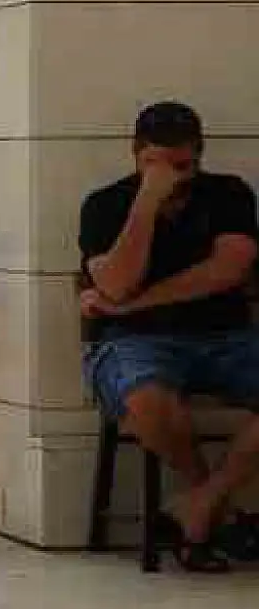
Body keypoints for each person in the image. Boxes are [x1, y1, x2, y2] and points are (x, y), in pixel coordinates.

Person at [79, 101, 259, 572]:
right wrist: (147, 203)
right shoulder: (106, 205)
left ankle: (199, 506)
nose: (174, 176)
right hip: (134, 341)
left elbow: (228, 270)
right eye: (159, 164)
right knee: (147, 400)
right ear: (137, 153)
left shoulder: (229, 194)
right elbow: (116, 283)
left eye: (183, 165)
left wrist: (133, 303)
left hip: (226, 335)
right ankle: (212, 510)